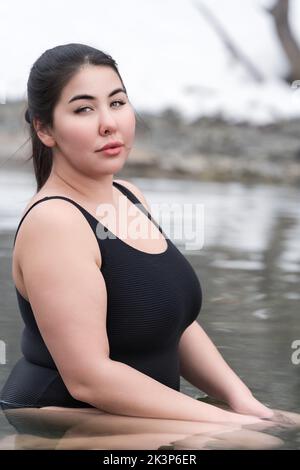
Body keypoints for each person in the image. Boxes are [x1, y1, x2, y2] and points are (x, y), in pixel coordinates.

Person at [0, 44, 298, 444]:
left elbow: (176, 323)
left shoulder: (128, 196)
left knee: (285, 424)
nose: (109, 123)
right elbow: (89, 379)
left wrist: (243, 402)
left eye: (117, 102)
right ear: (44, 128)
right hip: (59, 415)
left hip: (131, 411)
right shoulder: (56, 222)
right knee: (256, 442)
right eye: (84, 109)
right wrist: (230, 424)